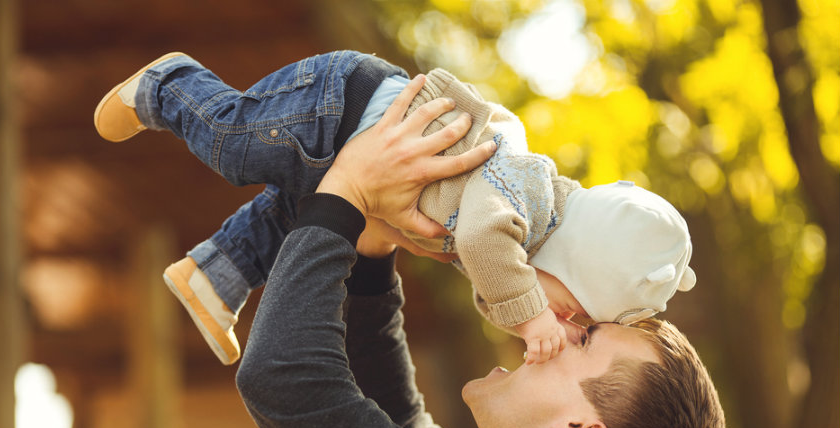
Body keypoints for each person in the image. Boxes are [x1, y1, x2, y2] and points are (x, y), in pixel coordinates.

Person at [231, 76, 726, 428]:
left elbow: (284, 381)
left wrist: (346, 194)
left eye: (584, 340)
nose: (560, 321)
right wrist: (373, 246)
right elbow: (398, 422)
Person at [94, 50, 697, 366]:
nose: (558, 320)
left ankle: (213, 276)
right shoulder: (528, 195)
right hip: (344, 106)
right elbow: (486, 240)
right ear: (576, 263)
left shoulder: (531, 247)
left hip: (354, 162)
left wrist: (525, 316)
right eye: (571, 310)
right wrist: (534, 318)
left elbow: (492, 288)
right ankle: (168, 85)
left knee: (293, 217)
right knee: (236, 148)